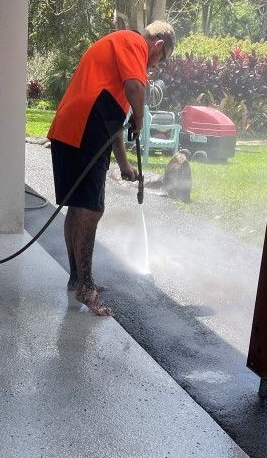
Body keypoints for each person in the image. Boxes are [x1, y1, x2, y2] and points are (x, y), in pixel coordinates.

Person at [47, 21, 175, 317]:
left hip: (71, 129)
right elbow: (134, 89)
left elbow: (115, 120)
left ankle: (77, 280)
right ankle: (86, 286)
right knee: (91, 209)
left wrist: (124, 163)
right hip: (85, 127)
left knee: (78, 207)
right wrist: (140, 119)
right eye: (162, 58)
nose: (157, 65)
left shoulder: (117, 55)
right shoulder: (134, 42)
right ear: (158, 45)